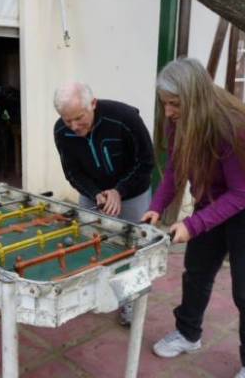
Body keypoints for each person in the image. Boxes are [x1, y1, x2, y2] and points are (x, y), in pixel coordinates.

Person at [142, 58, 245, 378]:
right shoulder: (179, 120)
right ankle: (188, 334)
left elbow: (241, 192)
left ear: (195, 97)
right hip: (210, 201)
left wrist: (193, 224)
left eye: (174, 104)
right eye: (164, 104)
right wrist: (157, 205)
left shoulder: (235, 126)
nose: (168, 112)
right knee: (195, 274)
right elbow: (174, 168)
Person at [53, 81, 155, 324]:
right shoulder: (61, 131)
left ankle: (130, 303)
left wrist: (119, 191)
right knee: (89, 242)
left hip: (132, 193)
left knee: (132, 246)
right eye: (67, 120)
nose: (74, 127)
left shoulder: (125, 118)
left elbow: (146, 162)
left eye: (79, 118)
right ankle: (93, 295)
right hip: (94, 194)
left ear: (93, 104)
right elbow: (73, 173)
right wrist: (95, 192)